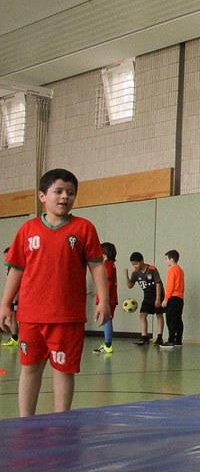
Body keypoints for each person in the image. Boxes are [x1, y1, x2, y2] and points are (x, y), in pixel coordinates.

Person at [0, 168, 109, 416]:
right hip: (31, 316)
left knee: (64, 371)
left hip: (67, 316)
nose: (64, 197)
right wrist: (5, 303)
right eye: (58, 191)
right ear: (42, 196)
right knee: (30, 369)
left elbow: (96, 266)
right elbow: (16, 270)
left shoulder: (84, 228)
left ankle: (62, 423)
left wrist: (103, 300)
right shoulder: (27, 230)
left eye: (70, 192)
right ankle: (26, 421)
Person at [125, 252, 165, 345]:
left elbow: (158, 284)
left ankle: (159, 337)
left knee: (159, 314)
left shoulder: (152, 269)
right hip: (147, 296)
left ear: (142, 261)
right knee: (142, 315)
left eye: (136, 264)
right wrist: (126, 275)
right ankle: (144, 337)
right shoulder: (135, 273)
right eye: (133, 264)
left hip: (157, 294)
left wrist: (158, 298)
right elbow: (130, 285)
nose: (135, 266)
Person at [92, 242, 120, 354]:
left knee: (107, 320)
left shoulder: (107, 264)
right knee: (107, 320)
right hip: (110, 298)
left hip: (108, 299)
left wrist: (103, 298)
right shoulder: (110, 264)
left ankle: (108, 345)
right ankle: (107, 343)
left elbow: (107, 280)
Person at [159, 249, 185, 348]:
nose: (165, 261)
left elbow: (170, 285)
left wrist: (166, 299)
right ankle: (178, 340)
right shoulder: (180, 270)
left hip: (173, 298)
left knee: (170, 319)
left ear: (172, 260)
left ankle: (171, 340)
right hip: (180, 298)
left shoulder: (171, 270)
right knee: (178, 319)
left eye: (166, 259)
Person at [1, 247, 19, 348]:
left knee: (12, 315)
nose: (6, 258)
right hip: (14, 297)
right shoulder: (10, 267)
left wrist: (15, 298)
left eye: (7, 255)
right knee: (13, 315)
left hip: (17, 298)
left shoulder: (16, 267)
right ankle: (14, 338)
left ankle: (15, 338)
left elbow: (19, 284)